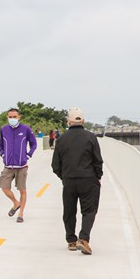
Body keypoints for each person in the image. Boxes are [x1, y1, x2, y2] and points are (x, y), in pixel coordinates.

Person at [51, 108, 103, 254]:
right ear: (84, 121)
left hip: (69, 180)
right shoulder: (91, 137)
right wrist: (97, 177)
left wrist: (64, 176)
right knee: (89, 210)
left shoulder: (61, 139)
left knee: (69, 211)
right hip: (88, 179)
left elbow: (55, 165)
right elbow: (97, 160)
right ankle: (84, 238)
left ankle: (71, 241)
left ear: (68, 121)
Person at [0, 107, 37, 223]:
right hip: (8, 166)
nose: (13, 119)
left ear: (19, 117)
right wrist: (3, 155)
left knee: (22, 190)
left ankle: (20, 214)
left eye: (15, 117)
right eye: (10, 117)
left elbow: (33, 144)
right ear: (7, 117)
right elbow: (0, 145)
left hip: (22, 166)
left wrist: (28, 155)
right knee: (4, 188)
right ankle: (16, 203)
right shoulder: (4, 129)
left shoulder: (26, 129)